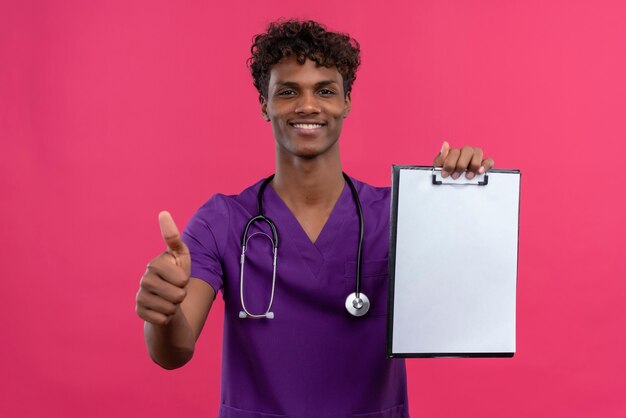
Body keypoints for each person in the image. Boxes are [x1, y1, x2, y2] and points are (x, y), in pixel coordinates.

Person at [135, 19, 494, 418]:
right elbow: (173, 352)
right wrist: (163, 314)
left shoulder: (398, 214)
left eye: (324, 91)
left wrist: (458, 201)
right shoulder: (221, 222)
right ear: (264, 104)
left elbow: (459, 307)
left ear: (346, 102)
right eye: (288, 92)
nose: (308, 106)